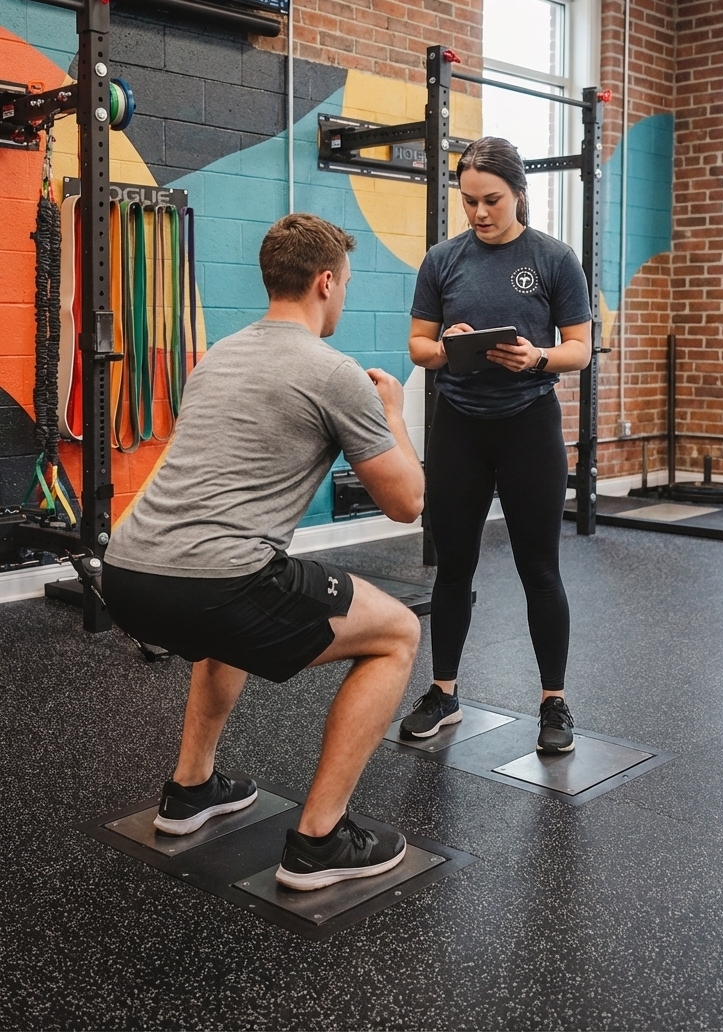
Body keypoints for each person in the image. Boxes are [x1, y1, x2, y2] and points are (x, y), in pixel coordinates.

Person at [103, 213, 425, 892]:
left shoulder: (218, 354)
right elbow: (406, 503)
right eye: (344, 286)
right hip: (216, 581)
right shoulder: (334, 372)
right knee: (397, 633)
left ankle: (191, 791)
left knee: (230, 618)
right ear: (325, 281)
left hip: (128, 573)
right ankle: (322, 841)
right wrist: (394, 413)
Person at [399, 137, 592, 754]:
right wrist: (449, 343)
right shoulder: (443, 261)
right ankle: (443, 692)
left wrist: (536, 357)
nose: (480, 213)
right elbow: (418, 347)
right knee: (454, 566)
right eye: (470, 201)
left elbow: (579, 350)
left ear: (519, 195)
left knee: (540, 566)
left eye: (492, 201)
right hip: (460, 425)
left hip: (528, 425)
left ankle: (554, 703)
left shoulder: (555, 259)